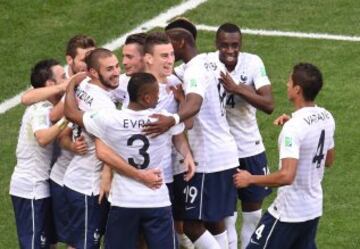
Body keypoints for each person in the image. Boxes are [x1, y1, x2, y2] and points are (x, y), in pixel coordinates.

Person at [64, 72, 195, 249]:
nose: (158, 97)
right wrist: (187, 155)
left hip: (124, 201)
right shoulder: (163, 119)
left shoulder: (110, 119)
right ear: (146, 98)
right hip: (156, 199)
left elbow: (71, 113)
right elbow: (181, 132)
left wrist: (71, 85)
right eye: (156, 94)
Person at [147, 19, 239, 249]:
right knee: (214, 220)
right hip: (226, 152)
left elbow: (195, 103)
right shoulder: (210, 62)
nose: (168, 54)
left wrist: (172, 118)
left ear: (180, 43)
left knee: (190, 225)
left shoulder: (194, 70)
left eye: (169, 47)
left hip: (208, 157)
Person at [234, 63, 335, 249]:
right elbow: (328, 160)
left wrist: (250, 179)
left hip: (288, 213)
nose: (286, 84)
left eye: (289, 81)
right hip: (312, 210)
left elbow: (287, 176)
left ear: (297, 89)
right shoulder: (326, 117)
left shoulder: (294, 128)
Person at [207, 23, 274, 249]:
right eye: (225, 45)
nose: (230, 50)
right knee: (227, 217)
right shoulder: (208, 64)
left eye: (235, 45)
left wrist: (238, 88)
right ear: (217, 44)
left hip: (250, 148)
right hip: (221, 152)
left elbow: (269, 104)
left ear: (241, 44)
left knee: (253, 216)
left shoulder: (253, 62)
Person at [62, 48, 120, 249]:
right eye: (109, 69)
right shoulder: (103, 105)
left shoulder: (84, 86)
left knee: (79, 243)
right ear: (94, 72)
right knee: (85, 245)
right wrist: (107, 172)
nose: (116, 72)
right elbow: (106, 147)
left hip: (77, 179)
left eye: (117, 66)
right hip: (88, 185)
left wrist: (71, 83)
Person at [9, 59, 69, 249]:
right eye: (63, 77)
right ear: (51, 85)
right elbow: (43, 138)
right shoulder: (41, 109)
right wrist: (67, 119)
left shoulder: (45, 106)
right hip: (31, 190)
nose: (67, 80)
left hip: (39, 188)